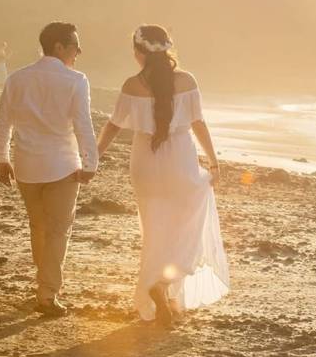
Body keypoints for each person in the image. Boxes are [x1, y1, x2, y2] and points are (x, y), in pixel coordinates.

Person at [96, 24, 229, 327]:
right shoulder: (186, 80)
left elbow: (113, 126)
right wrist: (213, 162)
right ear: (168, 50)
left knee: (154, 228)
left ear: (138, 52)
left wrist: (93, 158)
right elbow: (198, 122)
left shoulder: (132, 85)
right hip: (180, 157)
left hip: (145, 162)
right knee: (183, 225)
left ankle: (161, 287)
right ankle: (164, 286)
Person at [0, 22, 98, 317]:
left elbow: (4, 122)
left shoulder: (17, 78)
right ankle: (47, 294)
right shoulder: (76, 81)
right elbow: (83, 124)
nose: (79, 52)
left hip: (26, 166)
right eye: (75, 46)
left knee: (39, 226)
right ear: (59, 47)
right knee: (58, 231)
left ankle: (45, 285)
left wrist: (3, 158)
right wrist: (90, 163)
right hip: (63, 166)